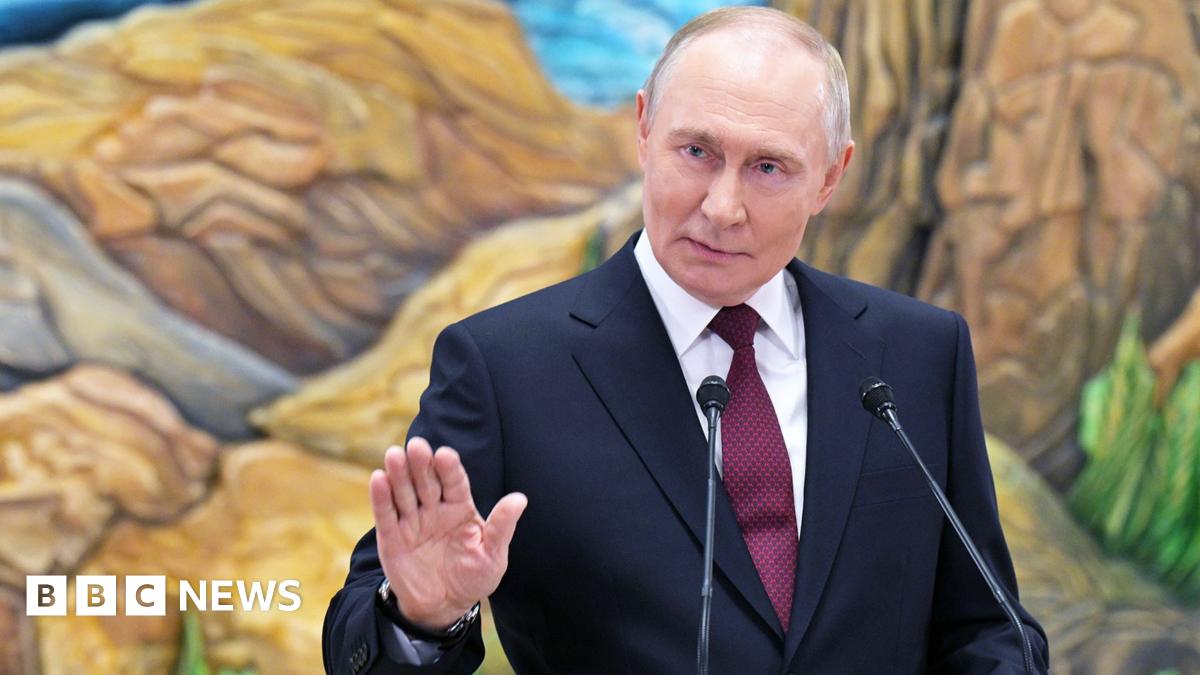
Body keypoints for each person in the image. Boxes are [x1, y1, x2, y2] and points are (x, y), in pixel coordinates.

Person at [322, 6, 1049, 674]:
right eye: (697, 151)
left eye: (768, 168)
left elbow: (988, 626)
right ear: (643, 130)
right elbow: (359, 640)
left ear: (830, 178)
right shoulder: (505, 368)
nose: (723, 207)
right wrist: (421, 613)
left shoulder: (916, 355)